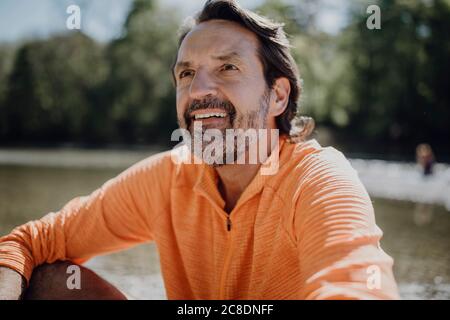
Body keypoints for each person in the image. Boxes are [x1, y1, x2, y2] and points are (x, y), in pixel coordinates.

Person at [0, 0, 399, 300]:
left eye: (228, 67)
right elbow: (29, 241)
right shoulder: (167, 178)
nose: (199, 90)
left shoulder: (318, 181)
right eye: (186, 73)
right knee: (49, 279)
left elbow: (360, 288)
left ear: (277, 96)